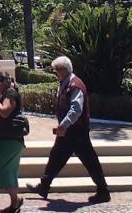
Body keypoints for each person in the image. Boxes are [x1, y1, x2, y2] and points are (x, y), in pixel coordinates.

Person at [26, 55, 111, 204]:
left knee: (87, 160)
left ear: (64, 70)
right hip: (71, 131)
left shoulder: (75, 85)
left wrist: (63, 125)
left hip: (76, 131)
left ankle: (103, 191)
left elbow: (76, 109)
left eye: (56, 70)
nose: (55, 73)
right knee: (59, 157)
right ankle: (44, 186)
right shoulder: (66, 83)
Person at [0, 70, 25, 213]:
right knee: (7, 173)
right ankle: (14, 202)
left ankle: (16, 201)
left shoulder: (9, 94)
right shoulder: (6, 94)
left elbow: (5, 111)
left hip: (10, 142)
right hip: (6, 141)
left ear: (2, 82)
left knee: (5, 173)